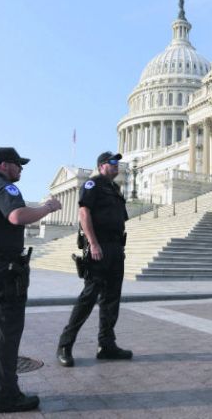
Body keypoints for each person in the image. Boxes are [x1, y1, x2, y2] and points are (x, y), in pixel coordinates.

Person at [0, 147, 62, 413]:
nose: (21, 170)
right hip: (1, 271)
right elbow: (17, 216)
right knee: (5, 333)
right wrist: (48, 207)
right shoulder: (5, 188)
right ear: (6, 165)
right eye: (19, 165)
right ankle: (4, 395)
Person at [57, 151, 132, 367]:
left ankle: (106, 345)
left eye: (118, 162)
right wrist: (93, 243)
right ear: (101, 166)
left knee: (112, 299)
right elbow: (84, 213)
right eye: (112, 162)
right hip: (99, 247)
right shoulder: (92, 185)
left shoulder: (114, 188)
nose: (117, 165)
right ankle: (65, 344)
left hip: (116, 248)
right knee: (88, 297)